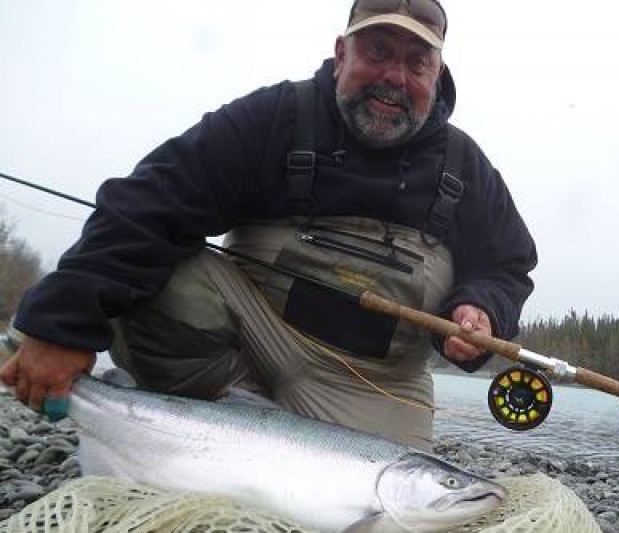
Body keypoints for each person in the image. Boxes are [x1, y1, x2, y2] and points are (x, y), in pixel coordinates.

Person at [0, 0, 536, 451]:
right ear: (341, 53)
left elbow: (507, 264)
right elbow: (151, 201)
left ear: (436, 75)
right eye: (378, 52)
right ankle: (229, 421)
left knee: (391, 510)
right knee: (167, 278)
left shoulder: (465, 166)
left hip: (375, 382)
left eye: (417, 63)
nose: (395, 77)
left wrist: (483, 306)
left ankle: (224, 437)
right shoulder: (277, 117)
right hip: (244, 348)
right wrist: (62, 324)